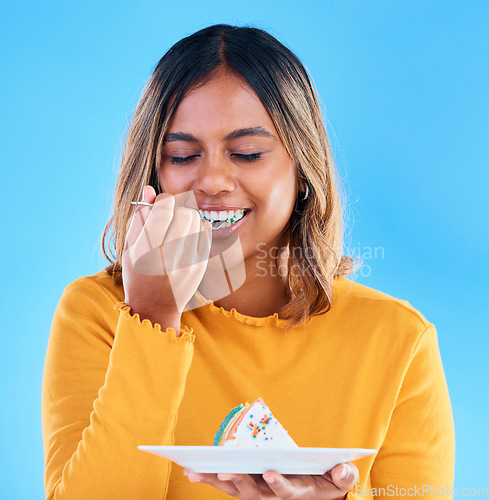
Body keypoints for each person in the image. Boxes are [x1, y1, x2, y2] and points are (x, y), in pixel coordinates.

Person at [42, 24, 455, 499]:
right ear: (153, 172)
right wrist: (152, 318)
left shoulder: (399, 340)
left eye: (247, 153)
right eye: (182, 155)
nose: (213, 179)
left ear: (304, 170)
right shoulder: (96, 314)